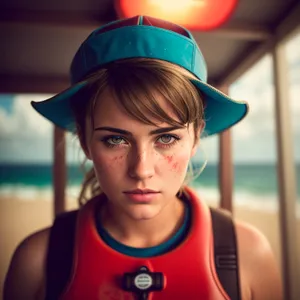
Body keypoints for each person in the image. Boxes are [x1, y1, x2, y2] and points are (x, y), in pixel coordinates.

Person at [4, 15, 282, 300]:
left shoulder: (249, 256)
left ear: (196, 137)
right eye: (115, 139)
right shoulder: (36, 262)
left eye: (166, 138)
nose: (141, 170)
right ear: (85, 139)